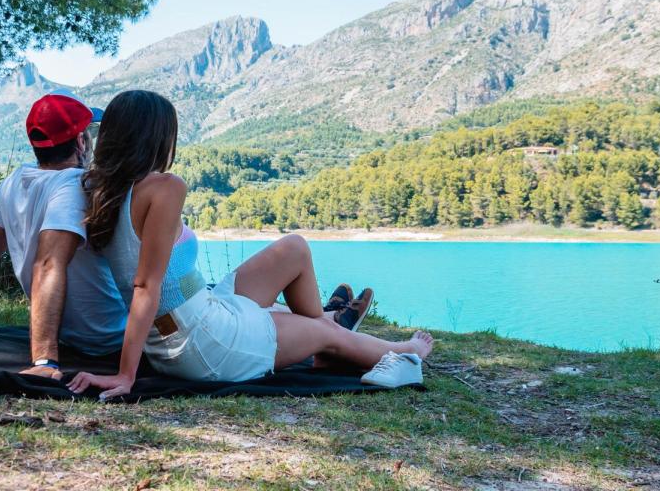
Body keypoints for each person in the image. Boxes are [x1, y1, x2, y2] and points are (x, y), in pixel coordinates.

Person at [67, 90, 433, 399]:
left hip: (194, 316)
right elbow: (146, 285)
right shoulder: (164, 187)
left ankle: (325, 329)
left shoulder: (100, 190)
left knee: (294, 248)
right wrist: (125, 376)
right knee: (323, 332)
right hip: (203, 342)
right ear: (159, 138)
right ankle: (391, 347)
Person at [0, 90, 127, 379]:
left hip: (70, 337)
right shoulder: (73, 186)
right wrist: (44, 362)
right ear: (81, 142)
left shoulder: (13, 182)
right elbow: (48, 264)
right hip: (110, 341)